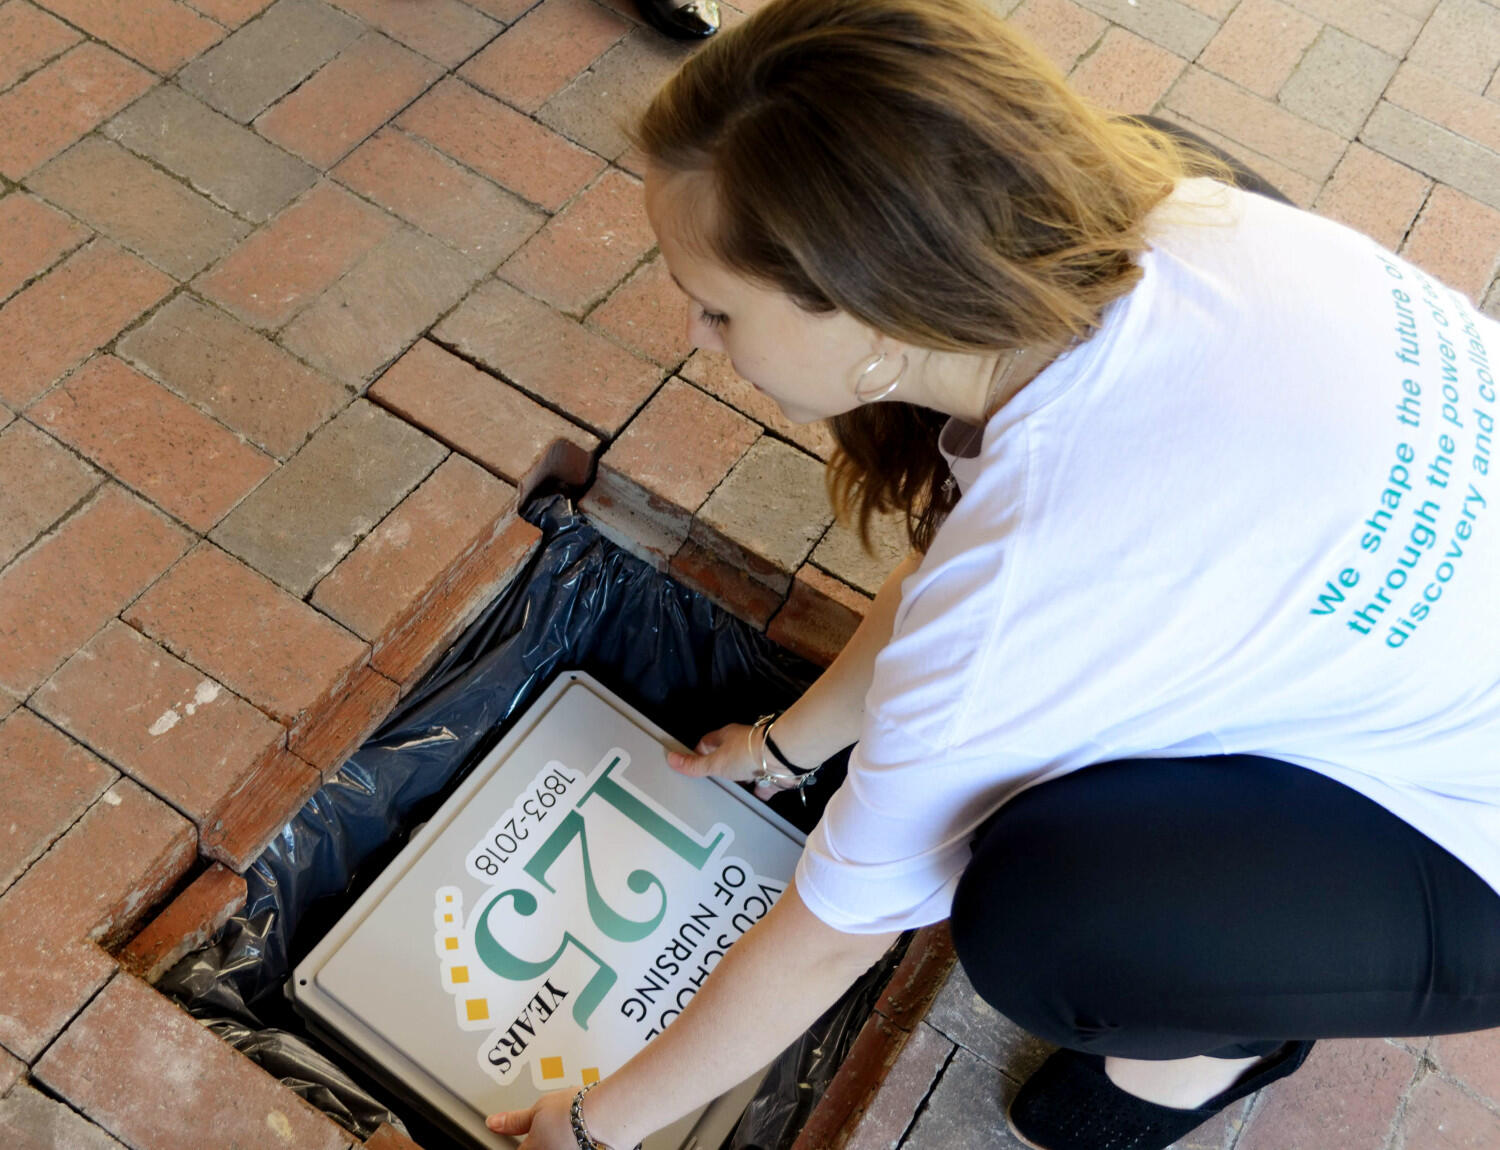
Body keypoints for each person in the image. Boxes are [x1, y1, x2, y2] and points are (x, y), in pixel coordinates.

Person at [486, 1, 1500, 1147]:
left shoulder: (1045, 565)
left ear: (873, 304)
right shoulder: (1161, 205)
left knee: (1046, 920)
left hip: (1475, 861)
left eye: (718, 308)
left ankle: (1222, 1038)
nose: (696, 336)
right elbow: (957, 581)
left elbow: (832, 933)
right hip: (1439, 655)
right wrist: (783, 748)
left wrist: (590, 1128)